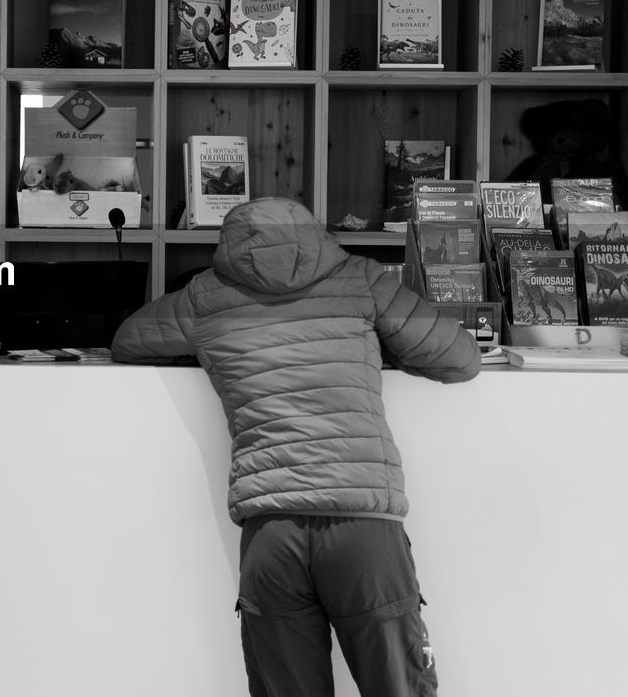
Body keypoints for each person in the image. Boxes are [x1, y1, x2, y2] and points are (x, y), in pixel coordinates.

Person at [110, 197, 481, 697]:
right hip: (364, 527)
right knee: (399, 687)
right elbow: (460, 359)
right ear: (316, 234)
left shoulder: (204, 296)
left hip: (271, 532)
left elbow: (127, 339)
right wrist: (387, 349)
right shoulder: (362, 280)